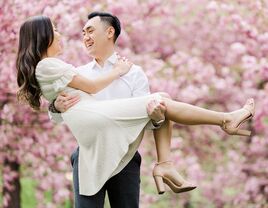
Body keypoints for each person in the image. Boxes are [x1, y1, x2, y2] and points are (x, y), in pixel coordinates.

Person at [17, 15, 255, 207]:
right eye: (83, 33)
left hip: (125, 153)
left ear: (109, 32)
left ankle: (166, 164)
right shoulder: (77, 70)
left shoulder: (134, 73)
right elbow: (62, 106)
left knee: (160, 102)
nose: (84, 37)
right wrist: (55, 106)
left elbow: (149, 119)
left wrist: (156, 115)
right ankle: (219, 124)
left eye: (90, 31)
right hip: (91, 149)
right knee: (162, 97)